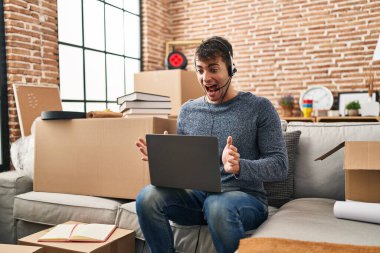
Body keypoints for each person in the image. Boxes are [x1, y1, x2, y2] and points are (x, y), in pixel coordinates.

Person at [135, 36, 288, 253]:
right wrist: (165, 159)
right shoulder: (188, 111)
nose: (206, 77)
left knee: (217, 204)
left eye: (213, 69)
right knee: (147, 197)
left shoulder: (259, 108)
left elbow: (280, 166)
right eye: (200, 70)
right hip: (197, 199)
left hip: (244, 200)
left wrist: (240, 165)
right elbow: (187, 169)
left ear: (231, 69)